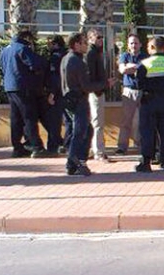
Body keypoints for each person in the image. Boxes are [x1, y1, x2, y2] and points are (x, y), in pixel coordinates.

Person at [61, 32, 114, 176]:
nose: (86, 45)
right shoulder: (77, 61)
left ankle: (73, 164)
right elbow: (86, 86)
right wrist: (105, 84)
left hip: (70, 100)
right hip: (78, 101)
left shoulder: (67, 58)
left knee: (85, 130)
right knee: (81, 132)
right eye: (84, 42)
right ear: (76, 44)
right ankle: (77, 161)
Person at [0, 30, 47, 158]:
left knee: (16, 118)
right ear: (26, 38)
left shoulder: (5, 50)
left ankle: (17, 147)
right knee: (29, 116)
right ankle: (36, 146)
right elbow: (35, 64)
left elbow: (2, 68)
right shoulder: (23, 49)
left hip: (9, 87)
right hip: (23, 86)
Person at [135, 36, 164, 173]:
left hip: (149, 101)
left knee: (147, 132)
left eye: (148, 46)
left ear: (153, 47)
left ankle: (146, 162)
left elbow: (139, 84)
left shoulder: (145, 63)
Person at [115, 34, 147, 155]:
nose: (134, 45)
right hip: (129, 91)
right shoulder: (125, 56)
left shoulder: (145, 57)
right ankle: (122, 146)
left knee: (142, 120)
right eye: (131, 43)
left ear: (140, 44)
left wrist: (131, 67)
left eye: (136, 43)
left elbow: (146, 70)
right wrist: (136, 67)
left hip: (143, 91)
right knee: (126, 120)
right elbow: (122, 70)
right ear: (128, 45)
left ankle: (142, 145)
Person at [85, 28, 110, 162]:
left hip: (98, 90)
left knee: (95, 122)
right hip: (95, 92)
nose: (100, 40)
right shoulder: (91, 53)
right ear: (90, 39)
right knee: (97, 122)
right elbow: (91, 75)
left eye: (101, 37)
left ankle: (92, 149)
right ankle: (98, 151)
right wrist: (103, 85)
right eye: (97, 37)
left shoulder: (96, 53)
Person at [43, 35, 67, 154]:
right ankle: (64, 143)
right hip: (67, 91)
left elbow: (54, 77)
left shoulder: (55, 57)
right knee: (68, 120)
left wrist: (52, 93)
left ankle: (53, 145)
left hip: (58, 93)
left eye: (50, 43)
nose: (48, 46)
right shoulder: (67, 55)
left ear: (55, 44)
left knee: (54, 121)